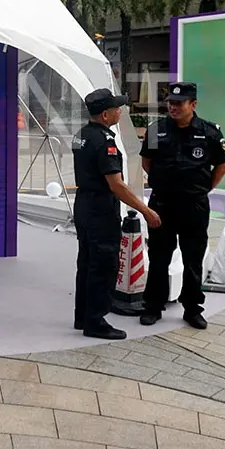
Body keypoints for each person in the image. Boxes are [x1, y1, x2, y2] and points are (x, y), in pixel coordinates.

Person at [72, 88, 162, 340]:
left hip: (84, 204)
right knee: (103, 264)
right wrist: (145, 210)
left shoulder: (82, 135)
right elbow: (117, 185)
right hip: (100, 207)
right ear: (104, 114)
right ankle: (96, 321)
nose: (120, 111)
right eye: (116, 108)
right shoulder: (105, 142)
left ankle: (83, 315)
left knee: (87, 262)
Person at [140, 82, 225, 330]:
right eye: (170, 103)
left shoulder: (210, 132)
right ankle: (153, 306)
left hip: (194, 206)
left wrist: (202, 189)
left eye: (179, 103)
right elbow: (147, 163)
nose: (173, 107)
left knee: (193, 259)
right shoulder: (156, 131)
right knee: (158, 257)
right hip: (162, 204)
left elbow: (221, 166)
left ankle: (192, 308)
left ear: (194, 104)